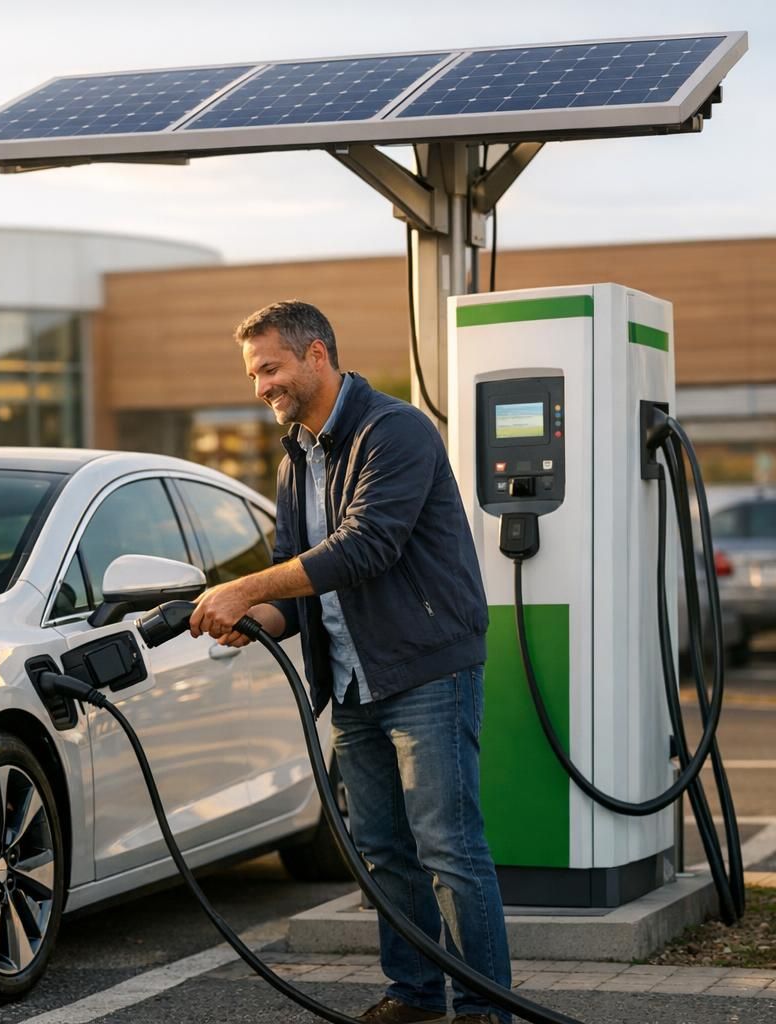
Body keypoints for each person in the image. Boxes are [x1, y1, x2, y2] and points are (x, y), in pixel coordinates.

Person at [188, 300, 512, 1024]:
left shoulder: (393, 430)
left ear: (318, 356)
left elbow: (367, 546)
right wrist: (257, 615)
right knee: (384, 855)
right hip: (355, 679)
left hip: (426, 667)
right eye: (253, 373)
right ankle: (416, 997)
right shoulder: (296, 456)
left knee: (448, 849)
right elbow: (293, 577)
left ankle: (487, 1012)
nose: (261, 385)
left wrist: (245, 588)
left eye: (270, 368)